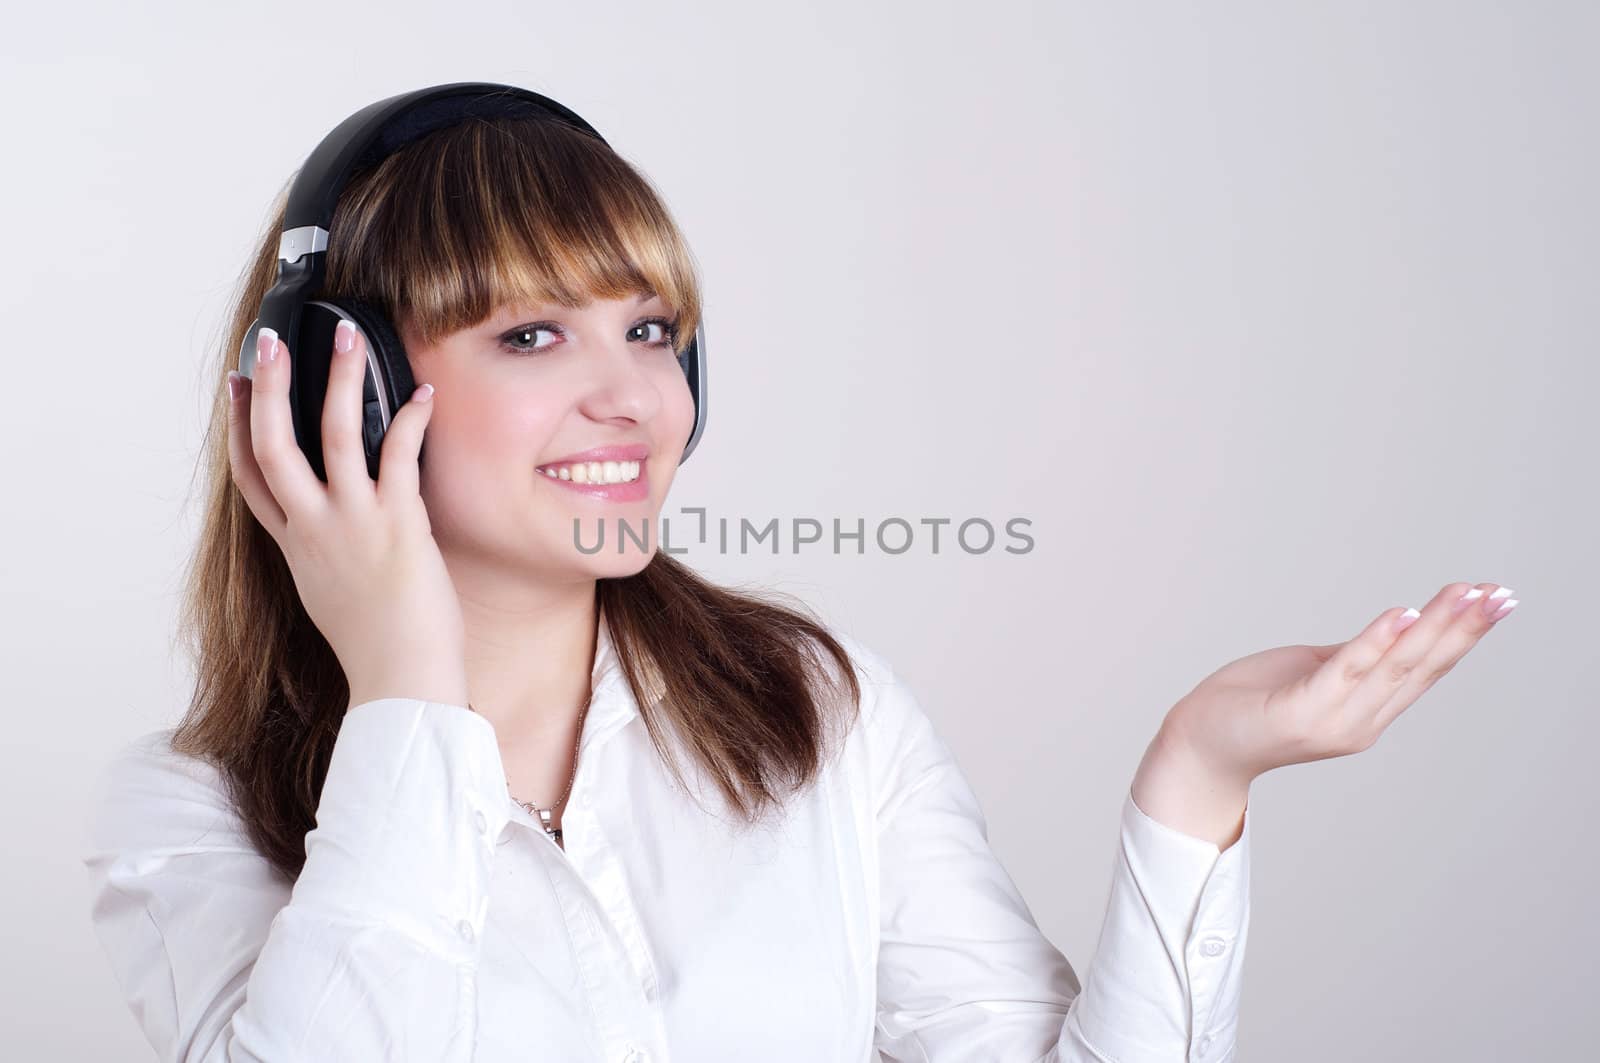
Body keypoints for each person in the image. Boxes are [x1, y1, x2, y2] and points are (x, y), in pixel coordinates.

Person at [80, 97, 1519, 1063]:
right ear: (349, 380)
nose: (632, 400)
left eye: (651, 331)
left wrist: (1199, 779)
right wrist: (407, 688)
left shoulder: (816, 711)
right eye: (531, 337)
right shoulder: (193, 814)